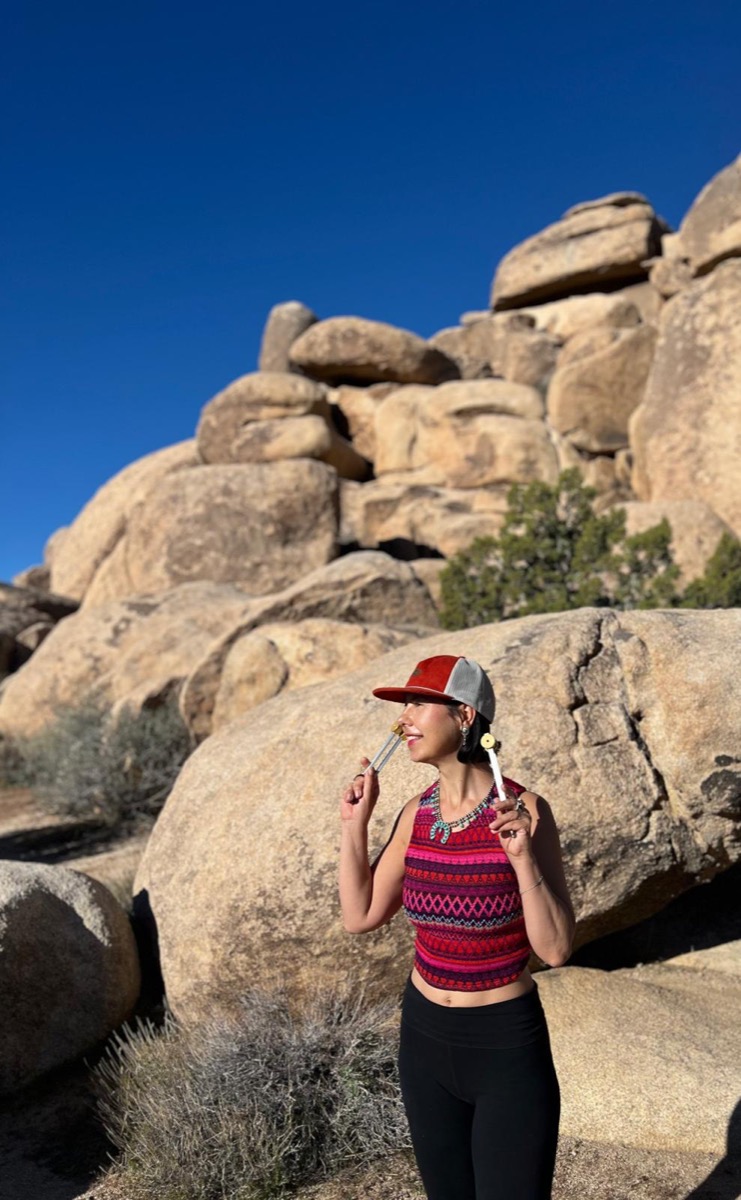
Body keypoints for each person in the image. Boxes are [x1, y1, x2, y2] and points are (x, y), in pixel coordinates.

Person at [339, 654, 575, 1200]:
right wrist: (355, 826)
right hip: (423, 1039)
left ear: (465, 716)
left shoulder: (525, 812)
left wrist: (521, 860)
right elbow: (361, 915)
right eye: (404, 707)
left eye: (419, 703)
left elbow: (557, 949)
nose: (405, 719)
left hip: (504, 1047)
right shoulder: (415, 814)